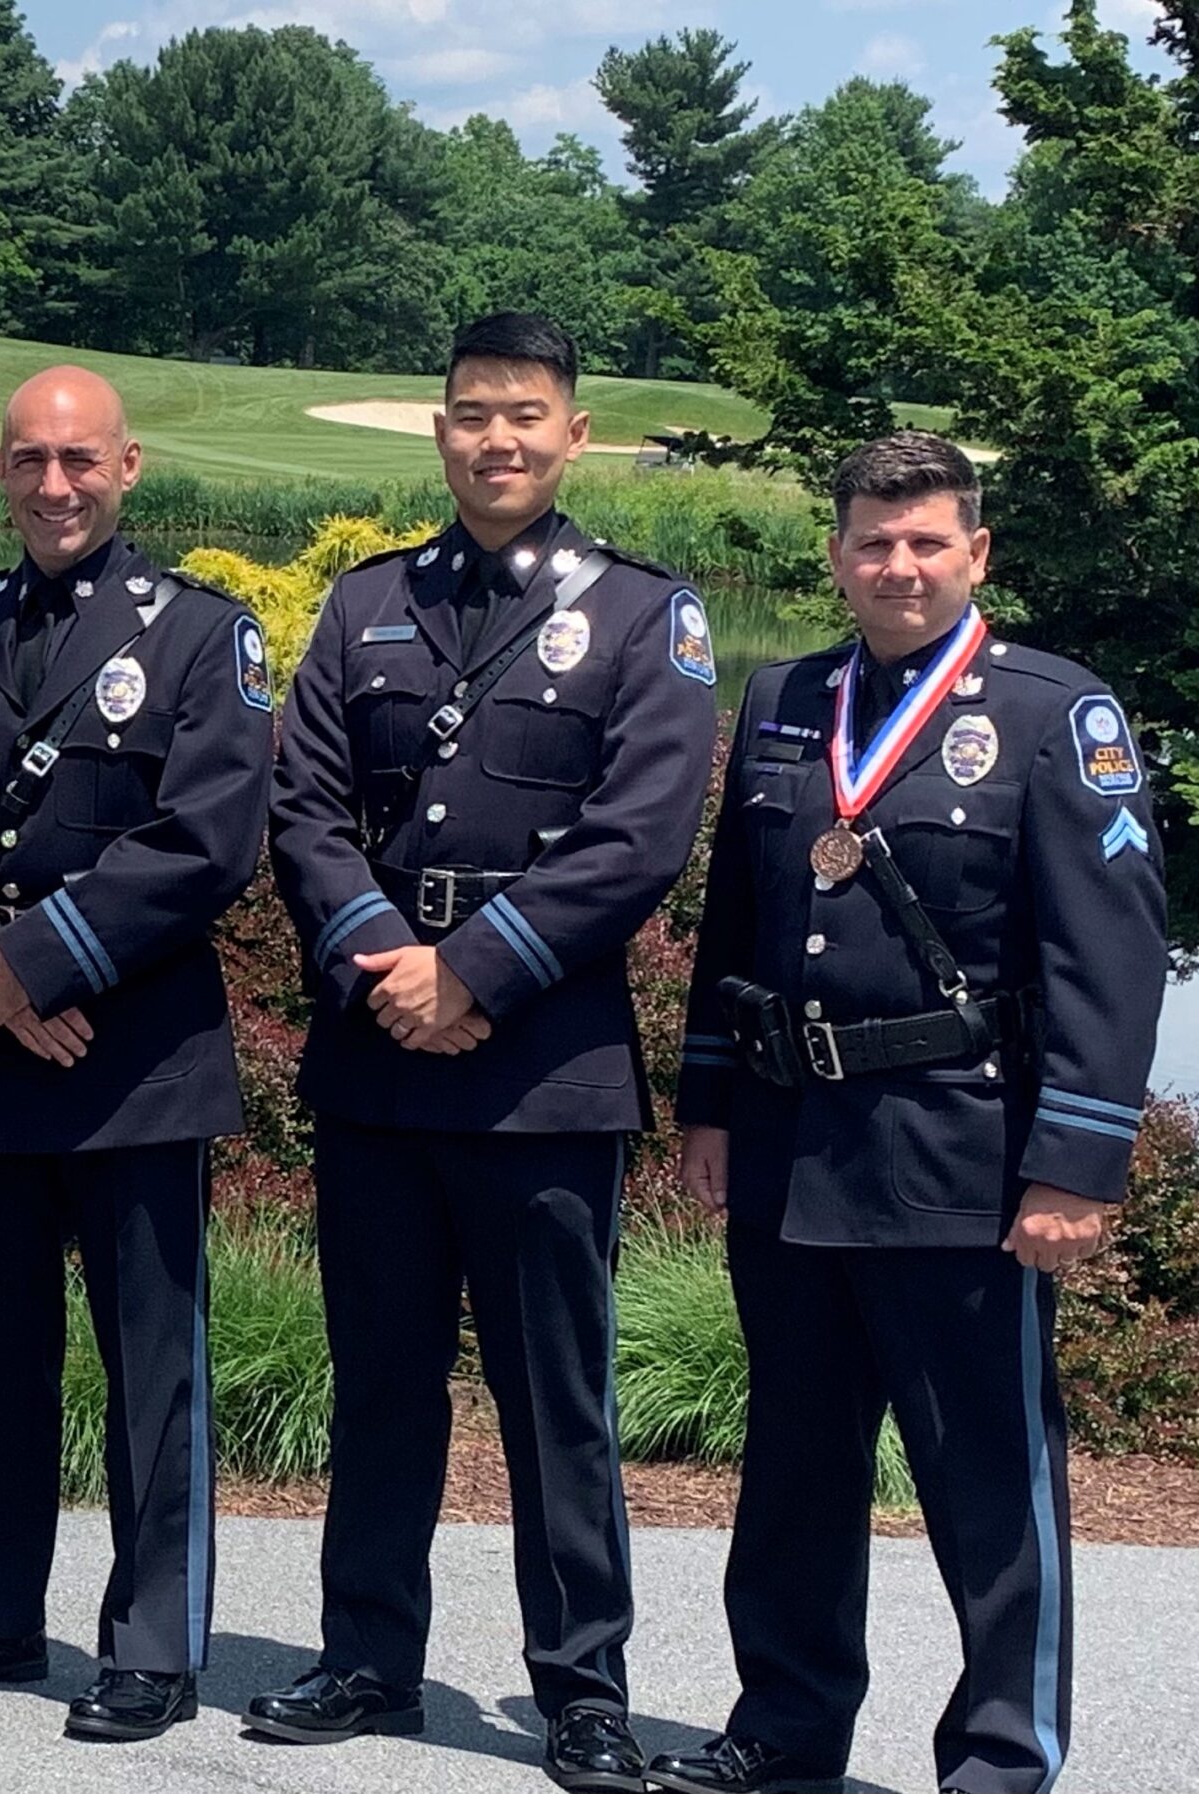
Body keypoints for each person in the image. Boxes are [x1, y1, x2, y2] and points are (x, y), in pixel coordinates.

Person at [646, 432, 1165, 1794]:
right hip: (792, 1147)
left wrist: (1077, 1164)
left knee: (987, 1481)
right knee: (795, 1472)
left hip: (958, 1156)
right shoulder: (785, 697)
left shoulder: (1055, 713)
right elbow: (738, 921)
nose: (899, 566)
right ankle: (785, 1731)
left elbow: (1106, 959)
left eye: (928, 542)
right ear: (837, 556)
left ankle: (999, 1758)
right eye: (874, 543)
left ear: (975, 553)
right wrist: (710, 1101)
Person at [254, 313, 718, 1790]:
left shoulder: (644, 615)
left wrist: (472, 971)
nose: (495, 439)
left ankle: (581, 1686)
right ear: (439, 429)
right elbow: (305, 809)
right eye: (470, 414)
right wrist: (387, 962)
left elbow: (639, 833)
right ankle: (367, 1656)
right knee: (380, 1377)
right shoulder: (367, 603)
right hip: (380, 1057)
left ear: (574, 434)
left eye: (524, 415)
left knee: (555, 1399)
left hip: (542, 1069)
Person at [0, 366, 272, 1743]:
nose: (53, 484)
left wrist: (36, 963)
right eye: (28, 459)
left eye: (79, 459)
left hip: (132, 1061)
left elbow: (207, 839)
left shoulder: (201, 634)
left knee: (152, 1376)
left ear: (127, 467)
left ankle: (152, 1644)